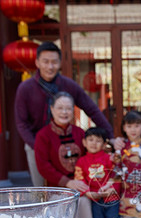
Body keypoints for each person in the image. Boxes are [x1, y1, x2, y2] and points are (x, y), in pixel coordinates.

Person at [15, 41, 114, 187]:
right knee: (41, 190)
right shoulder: (25, 88)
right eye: (46, 62)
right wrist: (38, 146)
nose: (50, 66)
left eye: (54, 62)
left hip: (66, 142)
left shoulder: (69, 85)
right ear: (37, 62)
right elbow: (21, 123)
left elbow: (92, 109)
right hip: (35, 142)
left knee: (76, 184)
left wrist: (110, 136)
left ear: (60, 63)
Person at [33, 92, 93, 218]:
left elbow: (89, 157)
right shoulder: (43, 135)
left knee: (84, 201)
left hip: (81, 186)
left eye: (68, 108)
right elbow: (43, 166)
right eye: (60, 108)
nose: (64, 112)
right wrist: (68, 182)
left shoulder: (80, 133)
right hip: (57, 189)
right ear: (52, 109)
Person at [113, 110, 141, 218]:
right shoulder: (121, 146)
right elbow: (116, 169)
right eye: (129, 126)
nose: (133, 129)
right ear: (124, 128)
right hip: (125, 191)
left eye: (137, 126)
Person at [75, 127, 121, 218]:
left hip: (110, 197)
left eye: (98, 141)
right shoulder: (81, 161)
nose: (94, 143)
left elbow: (116, 175)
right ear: (84, 142)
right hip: (94, 198)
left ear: (104, 145)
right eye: (91, 140)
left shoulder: (109, 158)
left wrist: (112, 189)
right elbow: (80, 179)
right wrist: (87, 193)